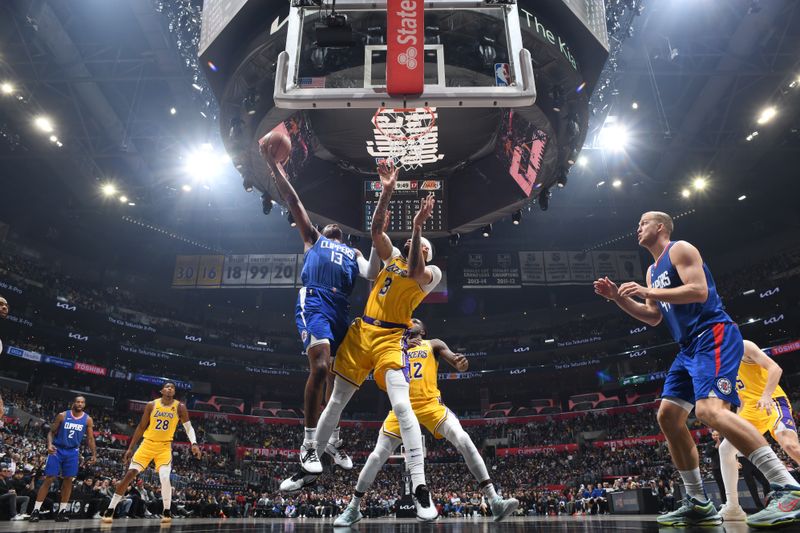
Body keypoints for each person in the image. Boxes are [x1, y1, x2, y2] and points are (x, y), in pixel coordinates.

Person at [593, 211, 800, 528]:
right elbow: (652, 317)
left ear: (660, 226)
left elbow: (699, 291)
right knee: (668, 416)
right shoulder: (651, 271)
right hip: (688, 347)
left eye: (643, 223)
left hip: (713, 333)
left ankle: (787, 486)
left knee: (709, 411)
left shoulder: (680, 249)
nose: (638, 228)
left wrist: (648, 292)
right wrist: (618, 299)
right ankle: (698, 502)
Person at [280, 161, 442, 521]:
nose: (421, 249)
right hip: (361, 331)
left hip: (389, 339)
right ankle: (308, 466)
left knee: (402, 407)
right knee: (336, 400)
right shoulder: (392, 258)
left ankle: (419, 486)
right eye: (419, 244)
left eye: (425, 247)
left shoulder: (429, 272)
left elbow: (416, 268)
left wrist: (417, 226)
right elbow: (376, 229)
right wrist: (386, 189)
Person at [262, 140, 381, 475]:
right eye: (329, 226)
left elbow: (372, 273)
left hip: (341, 309)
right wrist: (275, 167)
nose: (333, 226)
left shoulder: (354, 253)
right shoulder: (314, 238)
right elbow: (294, 201)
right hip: (315, 301)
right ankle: (308, 443)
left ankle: (332, 439)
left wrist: (376, 234)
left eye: (337, 228)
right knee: (319, 368)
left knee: (341, 378)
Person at [334, 319, 519, 526]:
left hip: (431, 405)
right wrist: (401, 344)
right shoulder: (394, 346)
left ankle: (494, 500)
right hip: (401, 407)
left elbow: (454, 360)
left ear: (423, 330)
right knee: (377, 456)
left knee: (463, 439)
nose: (410, 321)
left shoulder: (433, 344)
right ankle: (353, 507)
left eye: (415, 320)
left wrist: (460, 363)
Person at [718, 339, 800, 521]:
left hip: (771, 400)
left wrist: (766, 395)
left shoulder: (743, 345)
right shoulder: (720, 365)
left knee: (789, 445)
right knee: (725, 449)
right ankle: (732, 506)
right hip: (749, 409)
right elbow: (740, 397)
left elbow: (775, 368)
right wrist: (736, 421)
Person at [101, 382, 200, 525]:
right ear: (161, 390)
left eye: (172, 387)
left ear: (174, 392)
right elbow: (141, 427)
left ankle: (166, 510)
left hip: (164, 446)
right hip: (147, 444)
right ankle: (110, 508)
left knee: (165, 477)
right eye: (167, 386)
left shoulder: (180, 407)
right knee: (130, 474)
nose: (170, 388)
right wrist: (130, 448)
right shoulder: (151, 405)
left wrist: (194, 443)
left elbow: (189, 428)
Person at [29, 395, 96, 523]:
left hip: (73, 452)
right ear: (73, 403)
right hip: (57, 449)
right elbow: (51, 432)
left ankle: (62, 511)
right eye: (78, 401)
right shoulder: (63, 415)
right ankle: (35, 510)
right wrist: (49, 445)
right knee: (49, 478)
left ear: (84, 405)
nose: (80, 404)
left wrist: (94, 454)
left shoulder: (88, 420)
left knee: (68, 480)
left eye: (82, 402)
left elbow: (90, 439)